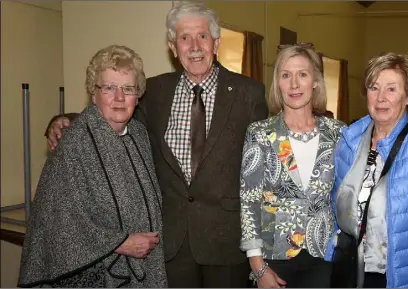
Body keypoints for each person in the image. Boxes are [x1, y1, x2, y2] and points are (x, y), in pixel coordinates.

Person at [44, 2, 269, 288]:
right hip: (170, 243)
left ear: (216, 42)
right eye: (184, 38)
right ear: (173, 47)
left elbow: (262, 168)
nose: (194, 46)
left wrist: (261, 250)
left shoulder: (248, 93)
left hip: (226, 243)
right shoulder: (154, 91)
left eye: (202, 36)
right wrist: (64, 120)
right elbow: (116, 113)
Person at [18, 45, 167, 288]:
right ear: (93, 93)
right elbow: (56, 222)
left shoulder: (139, 134)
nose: (119, 97)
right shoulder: (73, 143)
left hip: (143, 270)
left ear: (137, 95)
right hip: (94, 277)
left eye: (128, 88)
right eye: (109, 87)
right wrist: (119, 243)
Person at [330, 52, 408, 288]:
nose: (380, 98)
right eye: (374, 88)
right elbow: (335, 204)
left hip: (397, 276)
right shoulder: (349, 141)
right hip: (349, 271)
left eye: (391, 89)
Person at [239, 43, 345, 288]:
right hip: (274, 257)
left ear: (316, 81)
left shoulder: (338, 133)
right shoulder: (260, 133)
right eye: (286, 75)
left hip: (323, 256)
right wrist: (257, 267)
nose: (294, 84)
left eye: (303, 74)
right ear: (278, 83)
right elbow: (249, 202)